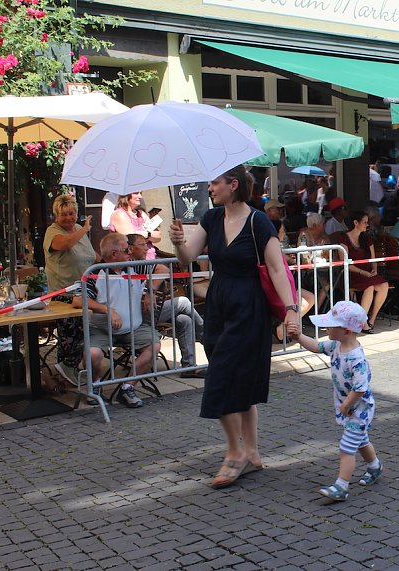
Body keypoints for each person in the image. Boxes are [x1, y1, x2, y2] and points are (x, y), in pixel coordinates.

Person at [168, 164, 299, 488]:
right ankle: (252, 453)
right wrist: (177, 241)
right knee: (236, 379)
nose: (209, 189)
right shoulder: (211, 219)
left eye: (214, 183)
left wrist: (291, 310)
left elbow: (277, 269)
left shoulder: (258, 221)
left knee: (220, 378)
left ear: (233, 184)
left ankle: (234, 452)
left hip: (248, 306)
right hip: (218, 304)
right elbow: (187, 257)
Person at [287, 301, 382, 501]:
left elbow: (361, 388)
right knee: (360, 441)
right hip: (350, 407)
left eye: (331, 325)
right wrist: (299, 337)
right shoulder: (337, 346)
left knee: (346, 447)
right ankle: (374, 466)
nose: (326, 327)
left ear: (346, 331)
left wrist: (346, 404)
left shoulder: (356, 358)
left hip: (360, 410)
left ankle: (341, 486)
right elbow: (317, 346)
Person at [73, 232, 161, 408]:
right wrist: (108, 310)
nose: (130, 252)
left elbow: (163, 269)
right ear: (114, 254)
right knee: (92, 354)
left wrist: (150, 291)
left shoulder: (134, 267)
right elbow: (78, 300)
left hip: (133, 327)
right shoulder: (94, 272)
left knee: (154, 345)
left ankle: (127, 386)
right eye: (126, 249)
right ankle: (95, 385)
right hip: (102, 328)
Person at [127, 234, 205, 378]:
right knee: (183, 302)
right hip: (136, 315)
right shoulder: (128, 263)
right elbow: (163, 269)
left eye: (146, 244)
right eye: (142, 245)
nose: (146, 248)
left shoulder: (141, 263)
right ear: (130, 249)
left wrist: (150, 291)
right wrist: (151, 291)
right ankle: (205, 334)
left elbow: (162, 269)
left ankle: (189, 367)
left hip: (149, 311)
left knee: (184, 320)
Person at [43, 194, 98, 385]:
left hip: (85, 291)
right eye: (64, 214)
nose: (69, 218)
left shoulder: (77, 230)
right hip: (63, 295)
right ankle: (66, 368)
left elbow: (91, 256)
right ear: (56, 215)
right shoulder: (53, 232)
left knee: (90, 327)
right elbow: (65, 244)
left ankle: (65, 373)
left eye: (72, 213)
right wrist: (84, 228)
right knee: (75, 330)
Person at [338, 211, 389, 334]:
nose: (367, 225)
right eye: (365, 222)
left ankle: (371, 319)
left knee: (384, 285)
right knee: (369, 287)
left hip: (368, 273)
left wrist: (374, 269)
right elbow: (345, 263)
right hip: (353, 273)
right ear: (356, 223)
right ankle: (362, 322)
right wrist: (363, 272)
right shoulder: (344, 239)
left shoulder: (367, 238)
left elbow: (373, 259)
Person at [108, 192, 162, 260]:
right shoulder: (119, 214)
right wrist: (148, 234)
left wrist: (144, 234)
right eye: (136, 193)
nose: (140, 196)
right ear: (126, 195)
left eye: (140, 193)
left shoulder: (141, 213)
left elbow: (158, 236)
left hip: (150, 259)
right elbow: (131, 238)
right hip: (132, 262)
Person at [298, 212, 333, 310]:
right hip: (308, 272)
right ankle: (315, 311)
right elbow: (305, 259)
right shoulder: (304, 236)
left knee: (334, 278)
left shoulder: (324, 237)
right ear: (315, 226)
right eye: (322, 224)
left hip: (324, 270)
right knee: (326, 284)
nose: (325, 225)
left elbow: (329, 256)